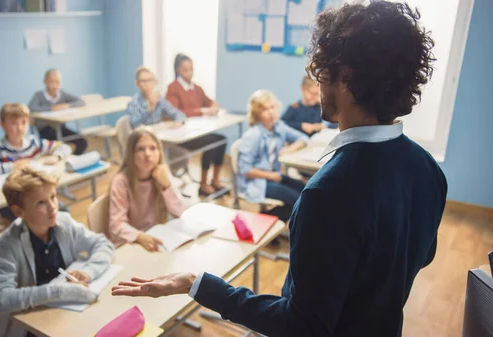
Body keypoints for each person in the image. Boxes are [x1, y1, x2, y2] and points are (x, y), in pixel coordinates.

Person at [111, 3, 447, 337]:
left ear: (345, 78)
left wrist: (198, 283)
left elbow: (299, 326)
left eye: (321, 72)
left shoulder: (327, 194)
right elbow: (419, 256)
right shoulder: (429, 170)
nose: (317, 83)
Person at [0, 167, 114, 337]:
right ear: (18, 211)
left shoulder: (64, 222)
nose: (53, 207)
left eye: (53, 197)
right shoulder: (9, 243)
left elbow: (103, 244)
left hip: (67, 313)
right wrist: (57, 292)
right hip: (30, 324)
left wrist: (88, 272)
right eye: (41, 203)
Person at [237, 90, 308, 222]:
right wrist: (271, 176)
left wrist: (288, 149)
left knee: (306, 191)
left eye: (272, 107)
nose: (271, 112)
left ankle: (268, 221)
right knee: (299, 200)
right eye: (265, 109)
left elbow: (303, 138)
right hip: (257, 182)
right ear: (257, 113)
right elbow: (245, 170)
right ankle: (264, 221)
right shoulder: (253, 135)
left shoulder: (278, 127)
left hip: (273, 176)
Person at [108, 129, 183, 252]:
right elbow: (116, 225)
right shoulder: (121, 181)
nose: (148, 154)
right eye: (140, 149)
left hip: (158, 237)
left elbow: (179, 211)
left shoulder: (162, 173)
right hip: (132, 242)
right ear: (130, 154)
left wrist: (166, 186)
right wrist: (139, 236)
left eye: (153, 148)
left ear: (160, 151)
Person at [166, 54, 227, 195]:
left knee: (221, 140)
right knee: (211, 143)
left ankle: (215, 180)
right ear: (178, 70)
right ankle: (203, 184)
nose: (189, 73)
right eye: (185, 69)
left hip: (199, 130)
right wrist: (201, 111)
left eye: (191, 69)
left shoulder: (196, 88)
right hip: (182, 136)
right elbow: (177, 112)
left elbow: (208, 101)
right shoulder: (173, 88)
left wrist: (213, 106)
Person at [0, 103, 71, 177]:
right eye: (14, 123)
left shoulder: (34, 142)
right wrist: (14, 166)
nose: (20, 128)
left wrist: (56, 156)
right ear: (2, 125)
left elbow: (64, 147)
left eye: (24, 122)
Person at [28, 69, 88, 155]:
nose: (55, 85)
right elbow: (31, 108)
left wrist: (67, 105)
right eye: (52, 82)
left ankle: (72, 161)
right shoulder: (39, 95)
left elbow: (81, 101)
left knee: (82, 142)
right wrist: (51, 108)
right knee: (58, 146)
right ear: (45, 82)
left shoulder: (62, 94)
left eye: (58, 82)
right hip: (45, 130)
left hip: (60, 128)